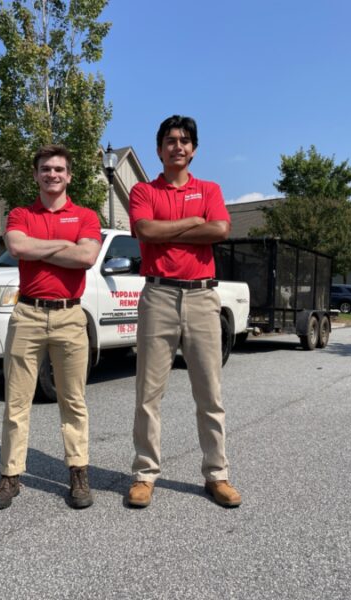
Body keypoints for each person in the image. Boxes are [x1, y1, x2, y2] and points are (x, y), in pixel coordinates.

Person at [126, 115, 242, 508]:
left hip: (201, 298)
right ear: (158, 149)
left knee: (209, 393)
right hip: (158, 296)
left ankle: (217, 475)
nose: (178, 146)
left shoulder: (210, 189)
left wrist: (171, 226)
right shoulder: (143, 190)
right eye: (170, 140)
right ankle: (144, 474)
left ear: (194, 149)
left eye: (185, 140)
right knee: (148, 394)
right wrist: (194, 221)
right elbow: (145, 231)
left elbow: (220, 230)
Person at [0, 144, 101, 510]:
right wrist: (63, 245)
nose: (53, 174)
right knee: (17, 402)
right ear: (36, 175)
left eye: (59, 169)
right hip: (28, 316)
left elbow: (86, 256)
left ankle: (78, 472)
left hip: (70, 316)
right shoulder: (20, 214)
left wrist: (44, 248)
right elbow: (17, 246)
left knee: (73, 401)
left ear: (69, 176)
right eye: (46, 169)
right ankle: (10, 475)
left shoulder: (85, 215)